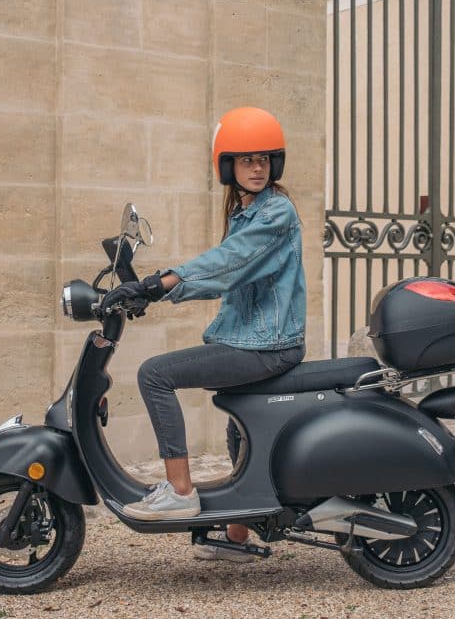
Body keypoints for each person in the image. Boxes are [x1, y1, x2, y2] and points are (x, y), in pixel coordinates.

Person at [100, 106, 306, 560]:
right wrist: (153, 290)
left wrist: (158, 284)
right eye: (246, 159)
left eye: (264, 159)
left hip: (267, 347)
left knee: (155, 374)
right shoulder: (250, 213)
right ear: (227, 165)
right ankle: (235, 537)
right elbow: (223, 269)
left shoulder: (276, 213)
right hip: (254, 342)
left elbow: (225, 264)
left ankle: (180, 491)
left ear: (275, 163)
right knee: (242, 429)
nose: (256, 167)